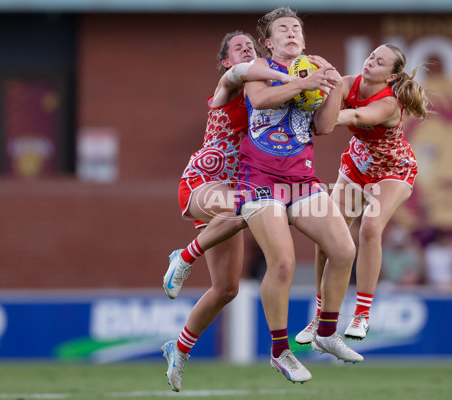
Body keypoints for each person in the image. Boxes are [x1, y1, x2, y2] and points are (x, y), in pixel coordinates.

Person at [160, 31, 295, 393]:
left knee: (226, 289)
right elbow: (240, 75)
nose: (247, 50)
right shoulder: (230, 83)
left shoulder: (265, 91)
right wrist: (287, 75)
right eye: (239, 48)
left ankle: (180, 348)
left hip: (233, 194)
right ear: (226, 60)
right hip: (202, 182)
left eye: (251, 45)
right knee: (247, 207)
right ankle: (184, 255)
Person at [237, 7, 363, 383]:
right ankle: (281, 351)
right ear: (269, 42)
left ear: (304, 41)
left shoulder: (314, 71)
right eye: (283, 29)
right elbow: (259, 101)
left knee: (344, 250)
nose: (291, 33)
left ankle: (325, 333)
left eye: (296, 29)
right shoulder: (256, 69)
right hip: (259, 179)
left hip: (301, 180)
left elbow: (323, 127)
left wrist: (334, 86)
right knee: (283, 264)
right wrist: (305, 84)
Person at [295, 44, 430, 343]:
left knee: (370, 228)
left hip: (393, 170)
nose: (370, 62)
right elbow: (324, 102)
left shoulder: (389, 103)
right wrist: (312, 86)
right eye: (371, 56)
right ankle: (320, 317)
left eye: (379, 62)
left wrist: (324, 117)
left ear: (391, 77)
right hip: (357, 166)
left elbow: (355, 117)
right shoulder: (347, 82)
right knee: (326, 237)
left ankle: (362, 315)